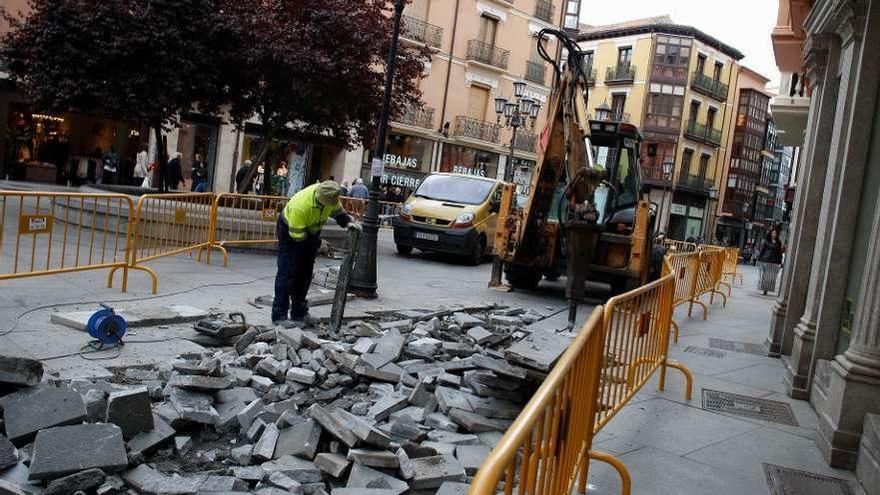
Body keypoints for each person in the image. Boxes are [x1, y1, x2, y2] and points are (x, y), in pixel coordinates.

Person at [272, 181, 360, 325]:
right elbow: (298, 237)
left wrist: (347, 222)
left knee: (305, 275)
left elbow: (338, 212)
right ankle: (279, 316)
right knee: (287, 275)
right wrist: (319, 243)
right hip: (291, 234)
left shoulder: (330, 197)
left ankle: (299, 313)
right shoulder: (300, 206)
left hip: (311, 233)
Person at [757, 229, 784, 295]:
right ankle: (764, 289)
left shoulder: (778, 242)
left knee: (772, 276)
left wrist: (780, 260)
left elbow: (779, 252)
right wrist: (759, 258)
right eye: (773, 233)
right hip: (766, 259)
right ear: (770, 234)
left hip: (774, 260)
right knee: (765, 275)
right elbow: (762, 250)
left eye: (775, 233)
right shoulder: (766, 241)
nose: (774, 234)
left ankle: (769, 288)